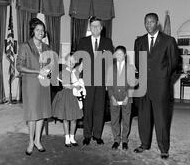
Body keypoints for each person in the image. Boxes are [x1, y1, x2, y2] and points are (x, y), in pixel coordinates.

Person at [134, 13, 179, 159]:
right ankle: (144, 144)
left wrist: (165, 79)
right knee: (144, 117)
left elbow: (174, 64)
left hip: (161, 86)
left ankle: (164, 148)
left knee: (161, 118)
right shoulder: (139, 41)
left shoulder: (168, 41)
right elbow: (137, 62)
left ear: (157, 23)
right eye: (146, 22)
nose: (148, 24)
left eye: (151, 22)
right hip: (143, 86)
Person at [16, 18, 54, 156]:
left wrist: (49, 71)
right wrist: (38, 71)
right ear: (33, 31)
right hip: (31, 85)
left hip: (44, 84)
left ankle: (38, 140)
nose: (40, 32)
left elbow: (51, 65)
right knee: (32, 115)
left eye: (42, 30)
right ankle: (30, 142)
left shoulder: (47, 47)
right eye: (37, 29)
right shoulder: (25, 46)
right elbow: (19, 66)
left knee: (42, 114)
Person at [77, 16, 114, 145]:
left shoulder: (107, 42)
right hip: (87, 80)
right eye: (93, 26)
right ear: (89, 28)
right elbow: (79, 61)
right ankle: (87, 135)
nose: (95, 28)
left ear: (102, 28)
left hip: (101, 81)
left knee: (100, 108)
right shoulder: (83, 41)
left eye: (98, 26)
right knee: (88, 108)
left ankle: (97, 135)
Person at [106, 45, 137, 150]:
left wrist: (127, 97)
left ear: (124, 55)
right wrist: (111, 97)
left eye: (120, 54)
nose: (118, 56)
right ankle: (116, 140)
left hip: (126, 98)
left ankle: (124, 140)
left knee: (126, 119)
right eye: (116, 54)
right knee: (114, 119)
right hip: (114, 97)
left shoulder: (130, 68)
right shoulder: (111, 67)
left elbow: (132, 84)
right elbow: (109, 84)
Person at [52, 53, 84, 147]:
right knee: (66, 118)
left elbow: (82, 64)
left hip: (75, 97)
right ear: (65, 62)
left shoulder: (76, 71)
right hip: (66, 96)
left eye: (73, 60)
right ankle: (66, 138)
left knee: (74, 119)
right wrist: (76, 86)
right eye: (69, 61)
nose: (71, 62)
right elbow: (66, 85)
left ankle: (72, 137)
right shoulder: (64, 72)